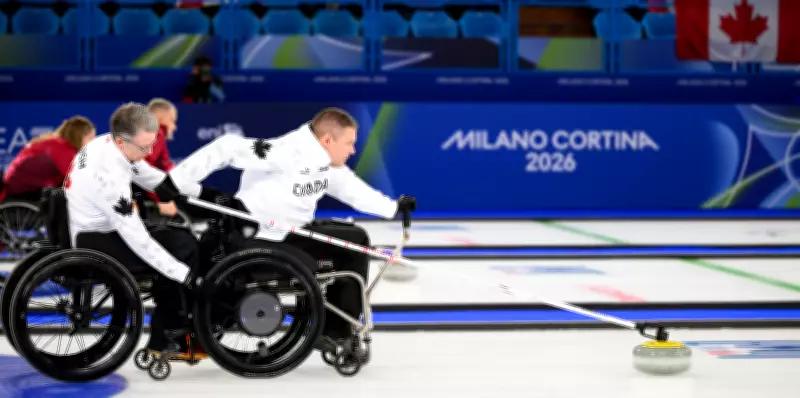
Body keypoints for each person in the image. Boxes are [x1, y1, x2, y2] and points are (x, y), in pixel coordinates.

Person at [168, 107, 417, 343]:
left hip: (290, 232)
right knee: (345, 249)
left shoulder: (327, 166)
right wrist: (176, 181)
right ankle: (335, 331)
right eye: (350, 143)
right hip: (260, 236)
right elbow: (227, 146)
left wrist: (393, 208)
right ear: (328, 140)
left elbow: (354, 191)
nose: (353, 150)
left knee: (356, 238)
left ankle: (335, 330)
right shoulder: (287, 151)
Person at [64, 102, 209, 360]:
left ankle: (169, 331)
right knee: (179, 249)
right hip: (97, 240)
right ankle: (169, 337)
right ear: (123, 142)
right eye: (145, 147)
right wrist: (187, 277)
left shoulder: (108, 143)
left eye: (152, 145)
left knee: (177, 239)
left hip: (93, 226)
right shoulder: (109, 179)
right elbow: (140, 241)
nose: (150, 152)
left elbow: (147, 173)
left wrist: (202, 194)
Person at [2, 116, 96, 202]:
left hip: (23, 185)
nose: (93, 141)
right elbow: (74, 178)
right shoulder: (61, 148)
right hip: (21, 188)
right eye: (90, 138)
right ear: (79, 136)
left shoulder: (58, 144)